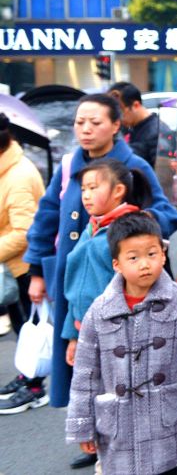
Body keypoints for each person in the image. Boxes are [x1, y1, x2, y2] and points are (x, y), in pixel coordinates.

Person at [19, 93, 177, 463]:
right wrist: (36, 271)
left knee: (124, 369)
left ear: (115, 126)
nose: (86, 129)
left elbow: (164, 212)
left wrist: (134, 230)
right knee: (86, 369)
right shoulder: (70, 163)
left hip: (122, 288)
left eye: (95, 122)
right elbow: (47, 214)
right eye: (80, 122)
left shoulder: (132, 164)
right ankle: (99, 442)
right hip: (74, 281)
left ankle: (136, 445)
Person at [65, 211, 177, 475]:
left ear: (164, 254)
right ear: (116, 264)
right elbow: (85, 376)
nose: (144, 264)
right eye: (133, 257)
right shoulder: (99, 312)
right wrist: (82, 425)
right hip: (119, 430)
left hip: (168, 425)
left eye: (152, 254)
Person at [62, 159, 154, 367]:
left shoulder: (130, 232)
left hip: (118, 338)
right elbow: (75, 291)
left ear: (118, 190)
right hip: (86, 332)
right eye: (83, 189)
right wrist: (73, 336)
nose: (86, 195)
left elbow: (139, 293)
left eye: (93, 188)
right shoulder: (91, 228)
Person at [0, 113, 46, 415]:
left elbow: (23, 232)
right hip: (16, 264)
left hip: (25, 265)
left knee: (31, 327)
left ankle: (34, 387)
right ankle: (26, 376)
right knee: (23, 326)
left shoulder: (17, 175)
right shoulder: (7, 167)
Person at [108, 82, 176, 169]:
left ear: (136, 105)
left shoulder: (158, 132)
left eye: (121, 113)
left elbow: (162, 175)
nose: (118, 119)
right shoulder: (130, 128)